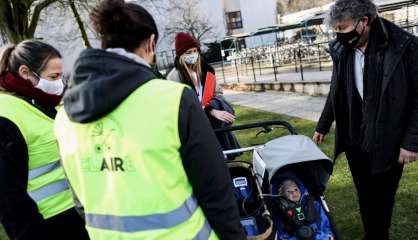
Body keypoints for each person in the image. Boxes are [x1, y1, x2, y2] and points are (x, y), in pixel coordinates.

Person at [53, 1, 245, 239]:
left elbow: (80, 201)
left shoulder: (63, 117)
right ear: (151, 42)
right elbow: (215, 190)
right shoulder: (174, 100)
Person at [312, 0, 418, 239]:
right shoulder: (342, 50)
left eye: (343, 28)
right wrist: (323, 124)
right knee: (364, 193)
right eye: (335, 29)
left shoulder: (404, 45)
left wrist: (411, 142)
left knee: (383, 195)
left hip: (389, 138)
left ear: (364, 22)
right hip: (354, 137)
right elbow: (335, 89)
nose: (339, 35)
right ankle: (373, 232)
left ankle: (379, 233)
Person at [0, 40, 89, 240]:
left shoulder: (46, 104)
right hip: (47, 226)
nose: (60, 83)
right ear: (25, 72)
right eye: (53, 77)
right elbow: (8, 198)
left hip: (79, 218)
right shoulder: (5, 115)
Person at [167, 32, 240, 156]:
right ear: (181, 55)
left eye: (195, 51)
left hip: (214, 127)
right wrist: (210, 110)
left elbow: (217, 93)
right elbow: (180, 107)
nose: (193, 55)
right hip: (194, 131)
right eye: (188, 52)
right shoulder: (174, 77)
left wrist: (215, 106)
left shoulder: (206, 70)